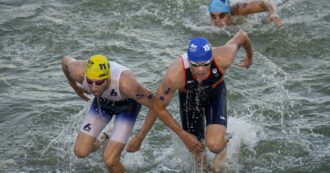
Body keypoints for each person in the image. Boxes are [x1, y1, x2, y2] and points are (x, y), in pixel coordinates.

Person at [150, 31, 253, 171]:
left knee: (215, 146)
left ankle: (224, 141)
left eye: (205, 64)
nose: (200, 70)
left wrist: (249, 56)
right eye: (195, 64)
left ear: (211, 59)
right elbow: (157, 106)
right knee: (197, 154)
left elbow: (241, 36)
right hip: (189, 98)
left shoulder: (224, 56)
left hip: (215, 93)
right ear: (188, 60)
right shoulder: (175, 75)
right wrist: (183, 135)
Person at [61, 54, 157, 173]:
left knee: (110, 161)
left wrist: (139, 138)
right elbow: (65, 61)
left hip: (127, 107)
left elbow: (156, 104)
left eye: (99, 82)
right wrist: (76, 87)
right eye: (90, 82)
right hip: (103, 102)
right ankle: (105, 137)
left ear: (108, 77)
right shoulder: (78, 72)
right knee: (80, 152)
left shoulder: (127, 85)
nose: (94, 88)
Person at [209, 0, 282, 27]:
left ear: (228, 12)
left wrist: (273, 13)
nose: (217, 20)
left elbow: (265, 2)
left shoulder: (239, 9)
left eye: (222, 15)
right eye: (213, 16)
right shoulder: (211, 23)